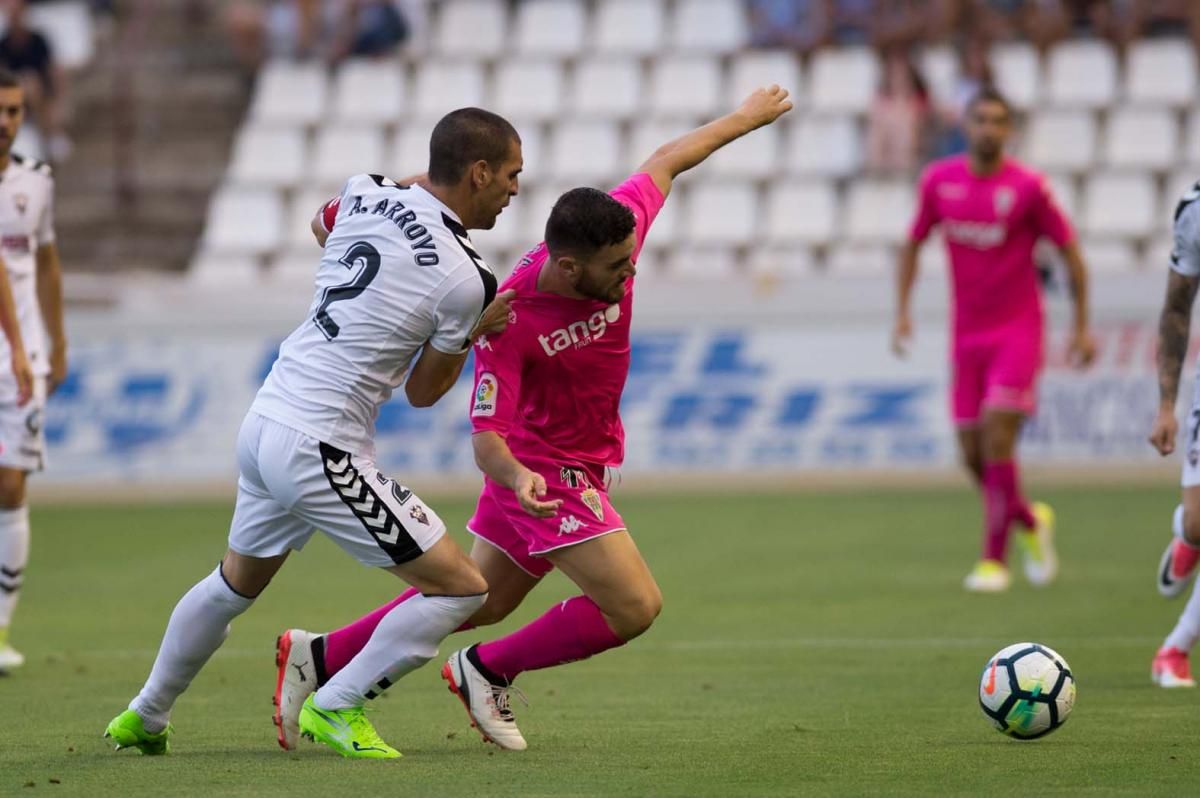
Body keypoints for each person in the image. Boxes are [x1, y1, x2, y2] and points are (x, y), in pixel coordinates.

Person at [271, 87, 794, 752]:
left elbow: (666, 161)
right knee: (634, 606)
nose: (630, 274)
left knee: (482, 598)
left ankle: (321, 655)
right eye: (616, 269)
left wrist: (746, 118)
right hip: (541, 471)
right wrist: (517, 477)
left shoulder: (612, 228)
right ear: (569, 268)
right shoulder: (508, 317)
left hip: (586, 458)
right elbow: (487, 438)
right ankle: (486, 669)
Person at [103, 107, 522, 758]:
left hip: (267, 416)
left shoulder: (364, 190)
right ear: (478, 173)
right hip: (320, 444)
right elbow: (422, 391)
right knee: (463, 588)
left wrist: (404, 211)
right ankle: (336, 703)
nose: (515, 190)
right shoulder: (468, 280)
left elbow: (319, 225)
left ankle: (145, 713)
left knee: (234, 582)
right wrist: (476, 330)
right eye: (511, 176)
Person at [892, 87, 1096, 593]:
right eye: (980, 119)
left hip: (1018, 330)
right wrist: (903, 313)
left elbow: (1071, 256)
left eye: (998, 121)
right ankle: (1030, 520)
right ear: (965, 125)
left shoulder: (1028, 187)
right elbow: (913, 244)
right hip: (967, 336)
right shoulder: (939, 182)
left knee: (998, 437)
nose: (989, 129)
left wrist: (1081, 326)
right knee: (971, 453)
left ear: (1009, 130)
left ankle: (993, 561)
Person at [0, 67, 63, 672]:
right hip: (14, 351)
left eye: (14, 111)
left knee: (13, 484)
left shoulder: (36, 182)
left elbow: (45, 262)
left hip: (22, 360)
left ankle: (0, 627)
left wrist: (54, 343)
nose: (4, 121)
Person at [1147, 177, 1200, 688]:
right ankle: (1188, 530)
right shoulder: (1195, 209)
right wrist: (1167, 404)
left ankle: (1174, 650)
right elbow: (1178, 308)